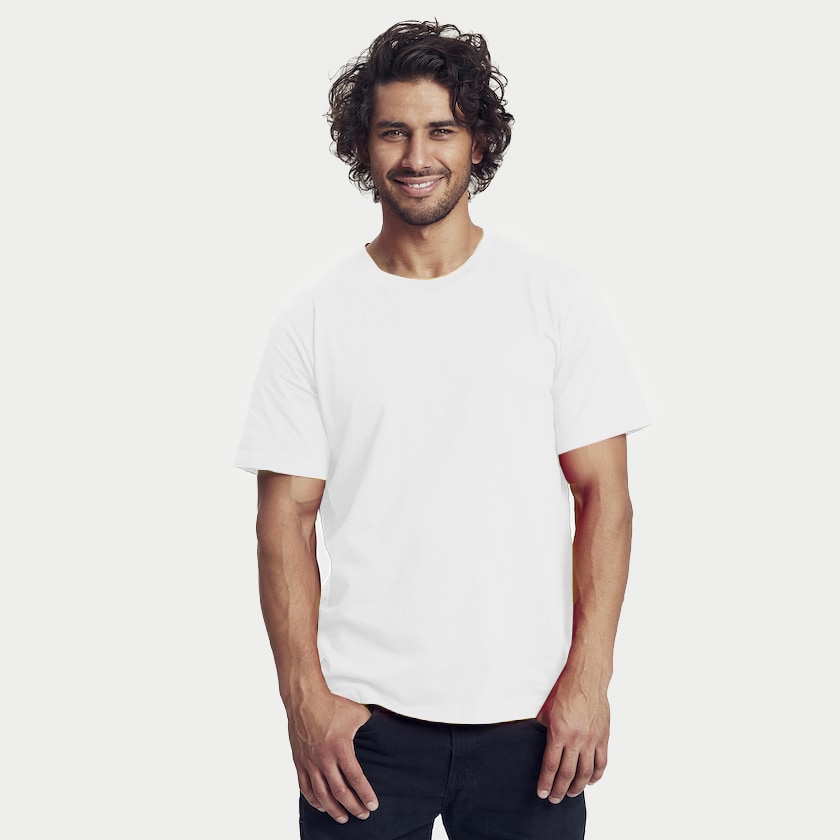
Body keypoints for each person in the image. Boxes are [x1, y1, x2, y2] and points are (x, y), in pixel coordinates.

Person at [235, 20, 650, 840]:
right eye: (393, 131)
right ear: (364, 145)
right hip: (363, 731)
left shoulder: (555, 300)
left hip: (533, 722)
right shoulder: (313, 321)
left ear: (478, 141)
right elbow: (284, 519)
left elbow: (605, 496)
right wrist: (305, 701)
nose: (416, 155)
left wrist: (590, 680)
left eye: (441, 130)